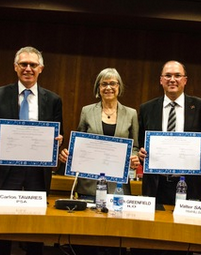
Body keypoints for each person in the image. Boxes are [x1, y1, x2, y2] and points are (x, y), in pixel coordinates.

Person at [0, 46, 63, 255]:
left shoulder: (53, 99)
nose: (28, 68)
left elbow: (58, 134)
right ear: (15, 67)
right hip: (8, 171)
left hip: (38, 173)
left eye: (33, 65)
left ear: (41, 69)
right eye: (23, 64)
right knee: (3, 229)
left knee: (35, 231)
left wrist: (58, 140)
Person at [138, 60, 201, 205]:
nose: (172, 80)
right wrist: (141, 154)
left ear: (185, 80)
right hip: (156, 186)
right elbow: (141, 143)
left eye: (177, 75)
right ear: (161, 80)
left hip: (191, 185)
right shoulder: (147, 109)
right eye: (167, 75)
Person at [58, 68, 140, 199]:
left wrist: (133, 158)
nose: (108, 87)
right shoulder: (87, 111)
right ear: (98, 88)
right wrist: (69, 155)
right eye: (104, 84)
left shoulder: (131, 114)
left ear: (119, 87)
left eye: (113, 83)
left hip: (117, 186)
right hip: (89, 184)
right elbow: (79, 145)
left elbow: (135, 147)